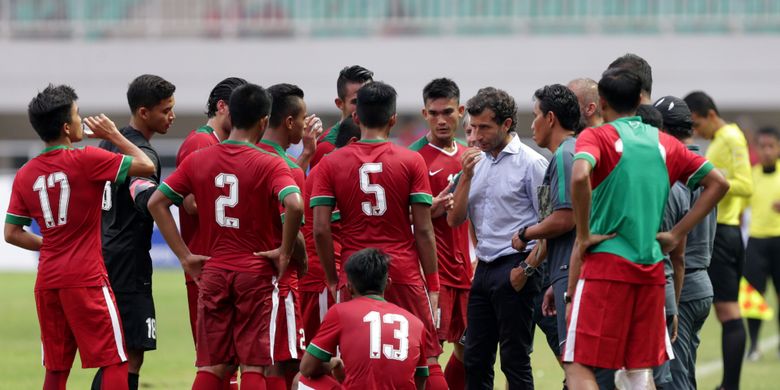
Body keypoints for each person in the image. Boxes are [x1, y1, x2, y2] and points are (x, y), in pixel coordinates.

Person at [563, 68, 729, 390]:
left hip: (607, 267)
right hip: (651, 270)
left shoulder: (597, 136)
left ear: (601, 102)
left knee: (577, 364)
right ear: (640, 99)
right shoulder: (665, 143)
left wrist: (583, 235)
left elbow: (580, 175)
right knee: (638, 372)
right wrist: (677, 234)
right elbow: (719, 183)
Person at [148, 83, 304, 389]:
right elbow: (295, 204)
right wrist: (285, 252)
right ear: (263, 121)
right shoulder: (269, 163)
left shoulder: (199, 159)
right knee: (254, 366)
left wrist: (185, 257)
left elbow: (157, 202)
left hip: (214, 271)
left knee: (213, 366)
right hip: (255, 274)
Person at [5, 84, 155, 390]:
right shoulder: (86, 159)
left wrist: (52, 246)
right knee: (116, 360)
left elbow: (12, 234)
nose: (80, 120)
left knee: (57, 369)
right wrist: (113, 135)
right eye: (76, 115)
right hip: (86, 278)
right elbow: (147, 165)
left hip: (47, 281)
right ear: (65, 127)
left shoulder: (25, 173)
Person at [309, 81, 445, 388]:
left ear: (355, 118)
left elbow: (320, 229)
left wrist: (332, 278)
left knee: (355, 358)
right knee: (427, 358)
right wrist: (433, 284)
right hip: (403, 269)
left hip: (354, 271)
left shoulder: (331, 163)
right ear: (393, 118)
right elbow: (423, 228)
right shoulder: (412, 160)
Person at [447, 87, 548, 389]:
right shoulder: (473, 164)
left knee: (514, 360)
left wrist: (527, 269)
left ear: (506, 125)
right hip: (485, 268)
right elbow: (455, 219)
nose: (476, 135)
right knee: (475, 359)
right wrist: (464, 176)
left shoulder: (532, 163)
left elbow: (551, 224)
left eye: (484, 127)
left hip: (516, 265)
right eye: (473, 127)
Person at [96, 74, 176, 390]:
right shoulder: (141, 155)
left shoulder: (108, 143)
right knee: (131, 353)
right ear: (144, 113)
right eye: (165, 110)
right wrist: (180, 194)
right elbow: (148, 202)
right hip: (129, 264)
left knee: (115, 353)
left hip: (105, 254)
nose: (171, 116)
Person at [510, 84, 581, 384]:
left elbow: (564, 219)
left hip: (571, 270)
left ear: (550, 118)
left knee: (577, 366)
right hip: (563, 271)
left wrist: (525, 233)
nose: (532, 123)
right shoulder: (573, 152)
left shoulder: (565, 155)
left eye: (536, 115)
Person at [684, 90, 752, 390]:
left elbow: (745, 185)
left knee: (728, 311)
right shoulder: (722, 140)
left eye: (697, 124)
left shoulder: (731, 138)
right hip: (724, 230)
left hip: (723, 231)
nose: (697, 132)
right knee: (727, 310)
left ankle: (730, 385)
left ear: (710, 115)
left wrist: (710, 178)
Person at [258, 83, 322, 390]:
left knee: (254, 360)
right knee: (287, 361)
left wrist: (307, 153)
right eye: (303, 117)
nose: (305, 123)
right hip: (278, 277)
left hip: (241, 272)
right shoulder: (286, 168)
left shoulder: (246, 157)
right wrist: (303, 255)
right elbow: (291, 224)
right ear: (289, 122)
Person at [408, 78, 471, 389]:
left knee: (470, 348)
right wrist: (425, 209)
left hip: (469, 269)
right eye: (434, 113)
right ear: (424, 114)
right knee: (428, 351)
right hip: (431, 270)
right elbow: (394, 216)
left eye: (448, 111)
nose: (441, 120)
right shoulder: (412, 158)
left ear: (461, 111)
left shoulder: (472, 155)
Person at [175, 77, 247, 348]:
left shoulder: (219, 143)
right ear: (222, 107)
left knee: (231, 355)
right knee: (216, 357)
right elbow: (190, 203)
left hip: (222, 265)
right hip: (205, 263)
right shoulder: (201, 144)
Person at [653, 95, 718, 390]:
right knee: (683, 375)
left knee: (674, 381)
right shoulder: (705, 168)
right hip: (701, 278)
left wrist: (672, 304)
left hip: (683, 285)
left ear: (663, 130)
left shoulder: (676, 174)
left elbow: (675, 254)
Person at [299, 248, 429, 389]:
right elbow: (420, 380)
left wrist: (333, 363)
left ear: (349, 287)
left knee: (300, 380)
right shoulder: (416, 323)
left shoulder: (340, 312)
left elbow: (306, 368)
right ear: (388, 284)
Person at [299, 117, 361, 345]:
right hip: (323, 281)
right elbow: (321, 229)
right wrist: (332, 279)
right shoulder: (331, 170)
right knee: (322, 359)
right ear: (354, 142)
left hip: (328, 278)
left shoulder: (332, 167)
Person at [744, 126, 780, 361]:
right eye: (762, 146)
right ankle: (754, 345)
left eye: (771, 146)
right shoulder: (750, 175)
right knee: (755, 298)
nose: (767, 151)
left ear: (778, 148)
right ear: (756, 148)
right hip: (755, 242)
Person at [309, 65, 374, 169]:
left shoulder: (378, 138)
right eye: (356, 101)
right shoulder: (326, 146)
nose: (364, 107)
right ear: (339, 103)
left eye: (369, 100)